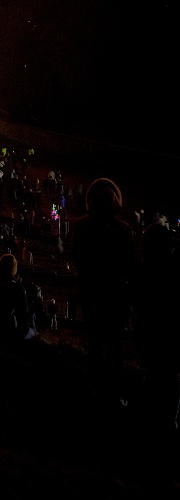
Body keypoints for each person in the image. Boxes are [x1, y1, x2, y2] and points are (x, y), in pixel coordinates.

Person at [72, 177, 135, 404]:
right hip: (115, 298)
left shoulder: (80, 227)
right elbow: (129, 267)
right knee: (114, 347)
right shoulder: (124, 230)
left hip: (91, 295)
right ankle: (113, 392)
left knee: (95, 345)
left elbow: (79, 261)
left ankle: (95, 388)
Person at [134, 222, 180, 432]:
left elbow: (139, 301)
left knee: (156, 374)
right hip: (168, 332)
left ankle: (159, 418)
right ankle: (169, 419)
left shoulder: (146, 271)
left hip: (153, 331)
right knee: (169, 375)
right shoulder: (172, 270)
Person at [0, 253, 33, 342]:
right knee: (33, 333)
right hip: (9, 332)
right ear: (13, 269)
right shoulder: (17, 288)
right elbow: (24, 316)